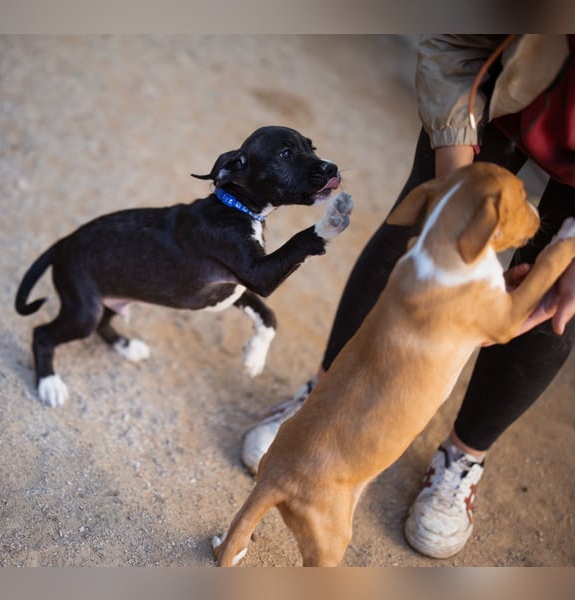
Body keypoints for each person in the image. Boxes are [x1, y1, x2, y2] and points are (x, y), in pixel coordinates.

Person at [241, 34, 575, 560]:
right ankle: (324, 402)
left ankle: (462, 456)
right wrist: (452, 192)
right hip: (488, 85)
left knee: (560, 292)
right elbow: (450, 41)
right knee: (423, 228)